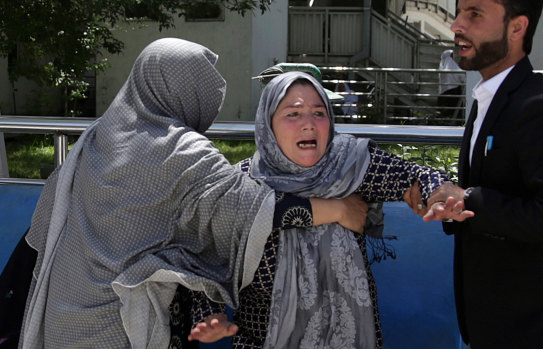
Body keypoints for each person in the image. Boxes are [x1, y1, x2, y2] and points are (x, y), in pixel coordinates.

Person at [17, 38, 369, 348]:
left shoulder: (101, 135)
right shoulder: (178, 150)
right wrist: (337, 210)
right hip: (122, 324)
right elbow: (253, 209)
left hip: (63, 314)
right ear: (184, 89)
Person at [173, 71, 473, 348]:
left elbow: (413, 175)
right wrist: (209, 315)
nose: (309, 123)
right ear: (268, 124)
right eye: (293, 114)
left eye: (319, 113)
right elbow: (202, 258)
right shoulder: (241, 184)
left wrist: (438, 191)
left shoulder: (351, 165)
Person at [408, 1, 543, 348]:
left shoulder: (540, 106)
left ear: (517, 28)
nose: (456, 25)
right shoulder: (489, 97)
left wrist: (469, 200)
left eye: (474, 14)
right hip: (499, 323)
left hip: (540, 328)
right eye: (459, 12)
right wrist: (454, 208)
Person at [437, 49, 465, 119]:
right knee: (454, 108)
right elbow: (461, 75)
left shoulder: (442, 65)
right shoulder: (451, 64)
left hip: (443, 91)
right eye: (452, 55)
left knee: (445, 110)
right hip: (453, 89)